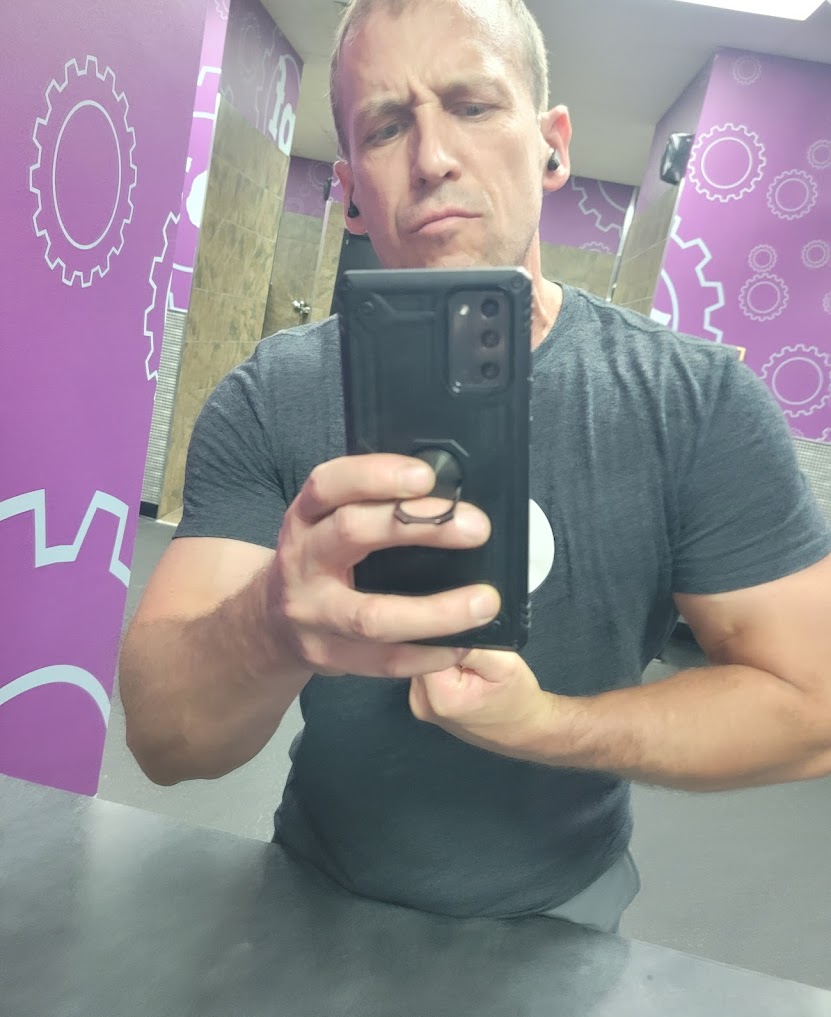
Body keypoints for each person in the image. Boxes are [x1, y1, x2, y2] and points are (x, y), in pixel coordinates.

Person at [119, 0, 831, 933]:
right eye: (386, 125)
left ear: (552, 146)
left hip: (563, 911)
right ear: (349, 191)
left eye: (473, 105)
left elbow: (811, 706)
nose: (433, 157)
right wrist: (271, 624)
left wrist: (548, 729)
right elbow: (166, 741)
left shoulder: (695, 402)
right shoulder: (270, 396)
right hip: (312, 893)